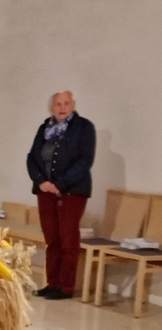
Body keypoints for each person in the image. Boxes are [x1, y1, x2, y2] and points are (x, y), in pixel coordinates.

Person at [26, 91, 96, 300]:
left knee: (67, 238)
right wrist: (41, 181)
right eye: (58, 104)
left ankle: (65, 286)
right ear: (52, 107)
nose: (62, 107)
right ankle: (52, 283)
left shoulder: (84, 127)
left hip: (72, 191)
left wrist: (60, 184)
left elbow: (85, 161)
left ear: (72, 105)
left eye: (66, 103)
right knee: (52, 239)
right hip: (45, 191)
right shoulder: (44, 128)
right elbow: (32, 158)